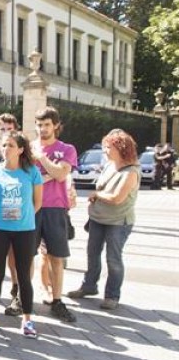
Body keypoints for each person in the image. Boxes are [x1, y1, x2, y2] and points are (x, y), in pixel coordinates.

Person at [66, 129, 140, 310]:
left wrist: (97, 195)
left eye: (108, 147)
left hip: (118, 221)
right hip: (98, 218)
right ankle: (89, 285)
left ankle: (112, 295)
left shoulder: (130, 171)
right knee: (92, 253)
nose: (105, 151)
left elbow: (117, 198)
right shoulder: (109, 165)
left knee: (113, 259)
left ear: (120, 148)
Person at [0, 131, 43, 337]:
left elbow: (37, 202)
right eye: (3, 145)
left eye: (10, 145)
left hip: (24, 229)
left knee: (23, 276)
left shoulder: (32, 172)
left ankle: (27, 320)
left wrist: (22, 216)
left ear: (20, 149)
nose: (5, 149)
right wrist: (1, 216)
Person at [30, 106, 77, 323]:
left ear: (56, 125)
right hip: (32, 207)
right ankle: (24, 297)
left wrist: (42, 160)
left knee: (56, 257)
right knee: (27, 255)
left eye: (47, 124)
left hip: (56, 208)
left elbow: (60, 174)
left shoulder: (66, 149)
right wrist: (48, 174)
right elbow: (26, 177)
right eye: (39, 125)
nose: (42, 129)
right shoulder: (28, 148)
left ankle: (57, 300)